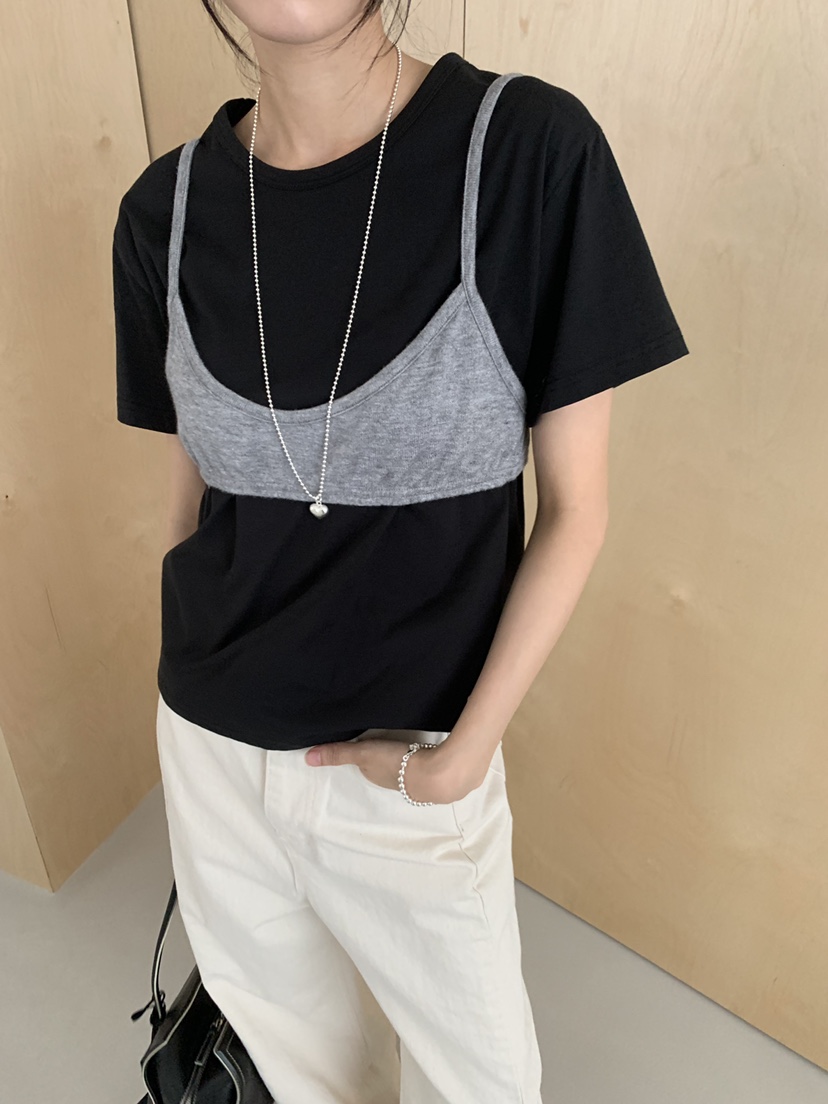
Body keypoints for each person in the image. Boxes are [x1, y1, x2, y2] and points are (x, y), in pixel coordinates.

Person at [113, 2, 689, 1101]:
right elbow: (188, 502)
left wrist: (463, 756)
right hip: (214, 749)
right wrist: (190, 701)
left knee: (479, 1083)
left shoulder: (524, 153)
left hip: (412, 760)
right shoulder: (164, 211)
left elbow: (577, 507)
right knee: (297, 1069)